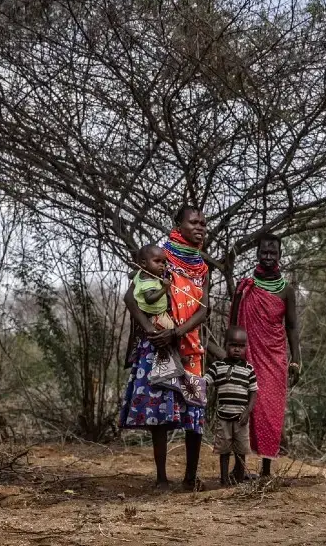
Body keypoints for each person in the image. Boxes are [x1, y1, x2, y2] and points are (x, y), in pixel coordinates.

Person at [119, 205, 226, 491]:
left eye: (204, 223)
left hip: (189, 346)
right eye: (194, 222)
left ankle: (191, 478)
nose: (201, 227)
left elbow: (204, 311)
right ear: (178, 224)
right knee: (160, 412)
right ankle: (162, 478)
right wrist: (154, 331)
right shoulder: (160, 256)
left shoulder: (201, 267)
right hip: (160, 348)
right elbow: (131, 298)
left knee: (194, 409)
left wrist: (178, 332)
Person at [229, 233, 301, 479]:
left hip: (274, 358)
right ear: (257, 254)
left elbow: (291, 326)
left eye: (273, 253)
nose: (268, 256)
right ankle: (238, 468)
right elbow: (234, 325)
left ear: (280, 255)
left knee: (270, 412)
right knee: (240, 405)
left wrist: (296, 359)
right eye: (264, 252)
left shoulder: (286, 290)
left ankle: (266, 472)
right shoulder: (246, 287)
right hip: (246, 355)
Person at [203, 326, 258, 486]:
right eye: (233, 345)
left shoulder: (249, 370)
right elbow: (205, 381)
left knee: (241, 450)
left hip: (241, 418)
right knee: (224, 449)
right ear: (226, 345)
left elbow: (253, 392)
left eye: (241, 346)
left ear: (245, 348)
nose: (237, 350)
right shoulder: (218, 367)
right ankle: (224, 479)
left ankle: (239, 478)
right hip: (223, 417)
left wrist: (248, 412)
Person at [131, 244, 174, 332]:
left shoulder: (143, 273)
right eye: (157, 261)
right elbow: (149, 299)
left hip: (154, 313)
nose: (162, 265)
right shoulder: (148, 281)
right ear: (143, 263)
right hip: (155, 316)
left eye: (163, 262)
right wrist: (164, 288)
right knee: (171, 330)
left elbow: (131, 275)